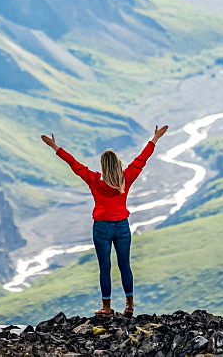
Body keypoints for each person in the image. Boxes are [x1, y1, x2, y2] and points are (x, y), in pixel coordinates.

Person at [41, 124, 168, 318]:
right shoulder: (127, 177)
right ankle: (130, 305)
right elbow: (142, 159)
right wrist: (155, 138)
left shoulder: (94, 179)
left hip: (101, 227)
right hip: (122, 226)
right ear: (118, 164)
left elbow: (74, 164)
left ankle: (107, 308)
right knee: (125, 265)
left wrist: (55, 147)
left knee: (105, 267)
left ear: (103, 165)